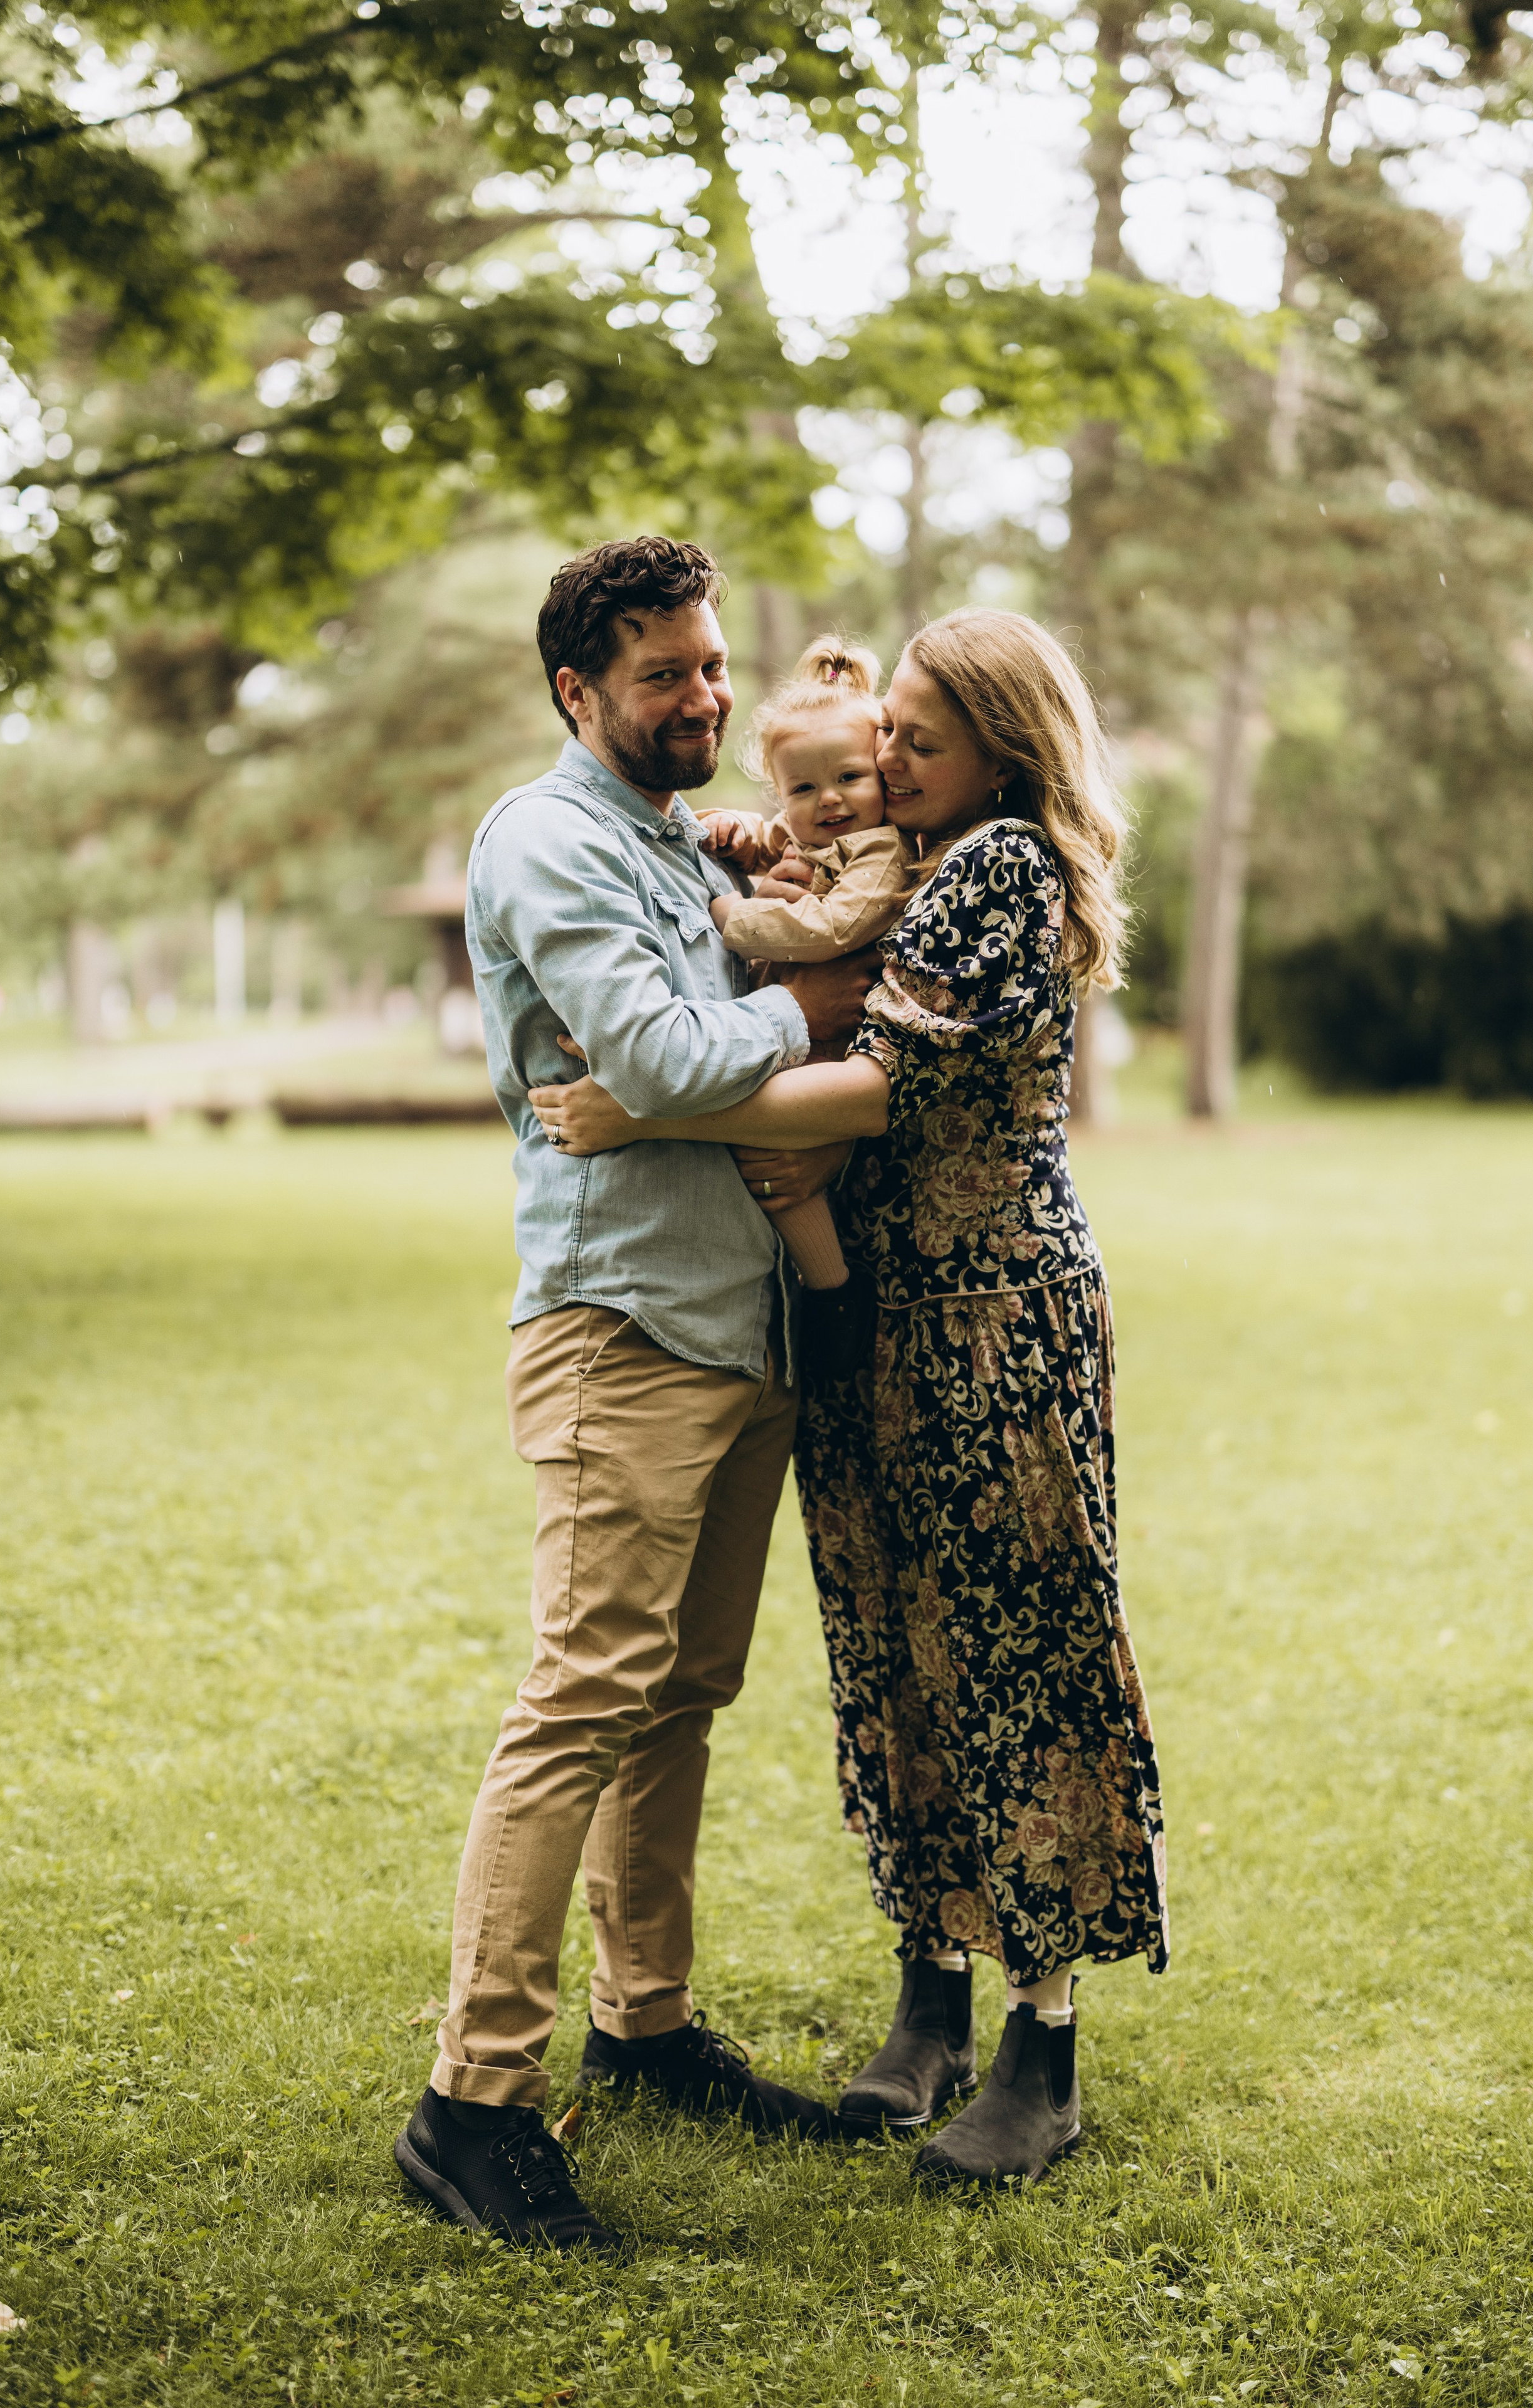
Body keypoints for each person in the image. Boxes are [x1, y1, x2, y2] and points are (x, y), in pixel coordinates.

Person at [532, 606, 1169, 2190]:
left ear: (1003, 755)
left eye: (919, 740)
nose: (883, 756)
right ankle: (928, 1995)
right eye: (883, 726)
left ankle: (1041, 2039)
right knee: (891, 1645)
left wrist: (643, 1108)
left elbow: (879, 1084)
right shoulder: (896, 853)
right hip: (864, 1310)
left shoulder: (1003, 868)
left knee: (1014, 1645)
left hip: (990, 1310)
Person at [394, 537, 872, 2256]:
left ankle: (645, 2022)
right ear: (576, 692)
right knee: (584, 1698)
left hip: (737, 1331)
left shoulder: (678, 840)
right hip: (624, 1334)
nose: (707, 697)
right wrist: (809, 1001)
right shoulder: (546, 842)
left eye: (714, 664)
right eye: (665, 673)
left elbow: (685, 1047)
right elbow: (661, 1061)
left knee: (679, 1695)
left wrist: (749, 963)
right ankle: (472, 2104)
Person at [697, 635, 919, 1371]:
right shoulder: (814, 835)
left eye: (849, 778)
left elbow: (833, 927)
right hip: (790, 1019)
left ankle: (833, 1290)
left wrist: (736, 919)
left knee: (775, 1159)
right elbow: (776, 841)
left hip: (835, 1037)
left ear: (882, 777)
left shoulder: (880, 852)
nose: (827, 801)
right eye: (800, 789)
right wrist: (741, 834)